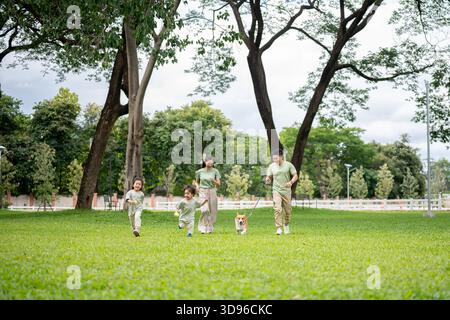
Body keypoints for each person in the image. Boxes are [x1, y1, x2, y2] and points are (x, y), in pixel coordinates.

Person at [265, 151, 298, 235]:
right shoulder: (272, 166)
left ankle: (286, 225)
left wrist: (290, 182)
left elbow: (295, 175)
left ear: (281, 157)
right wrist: (268, 179)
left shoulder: (288, 165)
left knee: (288, 211)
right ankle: (279, 228)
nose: (275, 160)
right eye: (273, 158)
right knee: (278, 209)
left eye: (276, 158)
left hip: (286, 191)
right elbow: (268, 176)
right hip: (276, 190)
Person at [195, 156, 221, 234]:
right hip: (203, 191)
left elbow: (219, 184)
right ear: (205, 162)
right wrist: (197, 186)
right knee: (204, 209)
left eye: (211, 162)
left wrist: (213, 180)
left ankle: (210, 227)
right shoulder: (199, 172)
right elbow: (197, 181)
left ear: (213, 163)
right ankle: (203, 227)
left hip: (212, 191)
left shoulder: (215, 171)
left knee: (213, 210)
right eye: (208, 162)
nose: (209, 163)